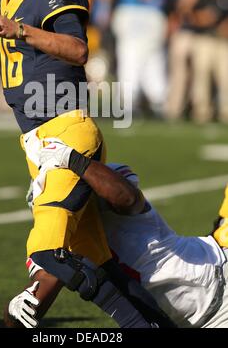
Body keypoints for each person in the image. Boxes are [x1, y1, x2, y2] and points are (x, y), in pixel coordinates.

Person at [0, 0, 174, 328]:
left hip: (66, 132)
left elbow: (77, 49)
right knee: (97, 260)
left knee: (46, 252)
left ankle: (30, 311)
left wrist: (19, 29)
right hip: (36, 141)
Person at [18, 136, 228, 328]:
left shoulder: (104, 181)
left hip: (218, 283)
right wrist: (18, 309)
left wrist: (74, 160)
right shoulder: (53, 236)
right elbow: (41, 288)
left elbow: (128, 199)